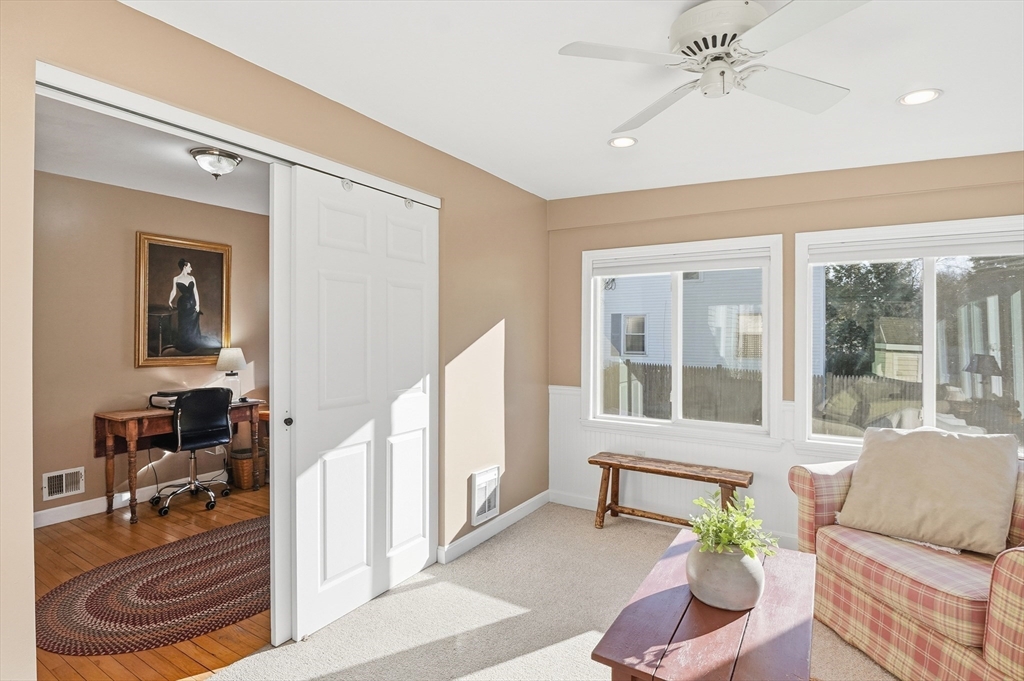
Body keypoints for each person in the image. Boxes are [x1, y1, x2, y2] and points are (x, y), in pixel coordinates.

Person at [169, 258, 202, 352]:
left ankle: (193, 343)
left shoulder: (192, 278)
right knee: (183, 324)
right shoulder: (176, 279)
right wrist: (169, 301)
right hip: (183, 304)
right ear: (184, 267)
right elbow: (173, 291)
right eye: (189, 267)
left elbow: (196, 291)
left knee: (192, 324)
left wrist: (198, 304)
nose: (191, 269)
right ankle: (184, 344)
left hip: (192, 303)